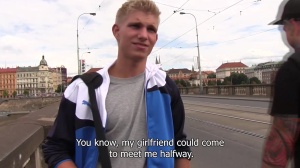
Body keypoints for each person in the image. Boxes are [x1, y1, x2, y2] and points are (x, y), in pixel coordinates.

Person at [42, 0, 191, 168]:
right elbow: (55, 148)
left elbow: (179, 145)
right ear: (116, 31)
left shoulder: (165, 87)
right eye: (135, 26)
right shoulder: (83, 89)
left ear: (155, 38)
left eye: (151, 29)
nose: (143, 35)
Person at [261, 0, 300, 167]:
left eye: (282, 25)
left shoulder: (292, 71)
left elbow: (276, 156)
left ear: (292, 23)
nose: (283, 30)